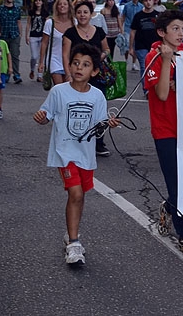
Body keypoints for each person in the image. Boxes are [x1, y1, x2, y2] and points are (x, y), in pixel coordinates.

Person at [35, 42, 120, 267]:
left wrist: (109, 124)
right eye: (75, 63)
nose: (79, 68)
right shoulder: (58, 91)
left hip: (86, 155)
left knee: (80, 195)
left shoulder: (97, 96)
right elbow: (47, 115)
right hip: (65, 153)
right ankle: (74, 244)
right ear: (69, 66)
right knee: (75, 193)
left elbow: (99, 126)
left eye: (85, 65)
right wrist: (42, 117)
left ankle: (71, 233)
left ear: (94, 71)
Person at [145, 9, 183, 256]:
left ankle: (170, 207)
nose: (181, 33)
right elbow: (160, 93)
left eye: (182, 28)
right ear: (162, 32)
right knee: (178, 184)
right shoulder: (154, 56)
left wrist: (177, 83)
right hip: (165, 130)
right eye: (175, 28)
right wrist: (168, 64)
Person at [63, 0, 112, 157]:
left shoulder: (98, 31)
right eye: (79, 12)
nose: (82, 15)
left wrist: (100, 57)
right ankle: (78, 139)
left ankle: (99, 142)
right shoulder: (70, 33)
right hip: (77, 77)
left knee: (99, 108)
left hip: (96, 75)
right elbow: (65, 55)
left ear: (91, 14)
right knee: (78, 108)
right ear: (75, 14)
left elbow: (107, 49)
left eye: (85, 12)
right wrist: (68, 75)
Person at [38, 0, 73, 87]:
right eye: (60, 4)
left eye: (65, 4)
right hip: (54, 60)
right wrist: (41, 62)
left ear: (69, 7)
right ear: (56, 7)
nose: (62, 6)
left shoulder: (75, 22)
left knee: (68, 88)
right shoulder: (50, 23)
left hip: (70, 60)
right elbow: (44, 43)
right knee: (59, 87)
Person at [0, 0, 23, 84]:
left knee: (15, 55)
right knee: (4, 56)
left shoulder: (17, 9)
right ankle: (5, 73)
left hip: (14, 34)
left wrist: (20, 34)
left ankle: (16, 74)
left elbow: (19, 22)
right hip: (3, 35)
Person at [131, 0, 161, 77]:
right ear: (143, 3)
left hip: (155, 45)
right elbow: (133, 31)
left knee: (155, 67)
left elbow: (163, 31)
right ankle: (146, 89)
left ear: (152, 1)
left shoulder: (158, 15)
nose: (148, 2)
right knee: (144, 67)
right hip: (141, 46)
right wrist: (130, 47)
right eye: (146, 0)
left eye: (149, 0)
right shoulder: (138, 16)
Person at [27, 0, 46, 81]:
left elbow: (47, 25)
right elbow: (28, 24)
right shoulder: (31, 12)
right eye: (36, 1)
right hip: (33, 36)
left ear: (42, 2)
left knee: (42, 56)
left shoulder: (45, 13)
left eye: (39, 0)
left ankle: (40, 75)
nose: (38, 2)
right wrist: (27, 35)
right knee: (34, 56)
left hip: (42, 36)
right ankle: (32, 70)